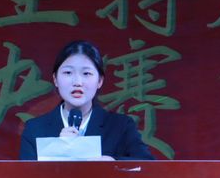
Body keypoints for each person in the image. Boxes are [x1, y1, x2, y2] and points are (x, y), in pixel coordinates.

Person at [19, 40, 154, 161]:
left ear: (99, 81)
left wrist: (112, 163)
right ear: (55, 79)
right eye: (68, 73)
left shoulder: (121, 126)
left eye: (86, 73)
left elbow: (148, 166)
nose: (77, 82)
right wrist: (58, 151)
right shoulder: (35, 129)